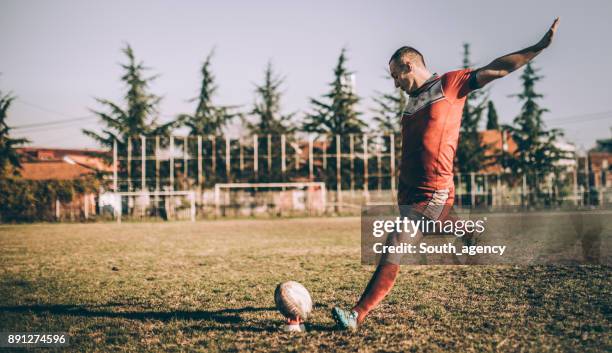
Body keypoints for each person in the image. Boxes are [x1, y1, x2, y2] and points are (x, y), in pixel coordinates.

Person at [332, 18, 560, 330]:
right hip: (408, 191)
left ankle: (357, 314)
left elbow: (498, 68)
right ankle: (469, 233)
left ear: (409, 64)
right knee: (436, 225)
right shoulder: (411, 103)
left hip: (433, 189)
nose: (395, 84)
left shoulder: (450, 85)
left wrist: (537, 47)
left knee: (395, 242)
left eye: (396, 76)